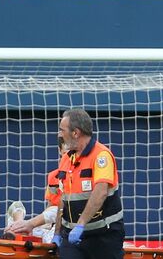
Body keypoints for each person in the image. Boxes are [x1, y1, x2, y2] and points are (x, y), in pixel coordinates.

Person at [53, 109, 124, 259]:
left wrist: (81, 224)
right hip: (72, 238)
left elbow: (101, 192)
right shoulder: (66, 159)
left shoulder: (101, 156)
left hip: (104, 237)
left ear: (75, 133)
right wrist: (57, 233)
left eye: (61, 130)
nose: (59, 134)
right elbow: (63, 199)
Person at [5, 138, 67, 243]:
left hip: (64, 226)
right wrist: (41, 224)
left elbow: (56, 210)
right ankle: (18, 227)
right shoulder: (53, 176)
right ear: (60, 151)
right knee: (16, 206)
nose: (68, 156)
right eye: (65, 153)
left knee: (57, 209)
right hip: (48, 226)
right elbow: (50, 206)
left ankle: (19, 230)